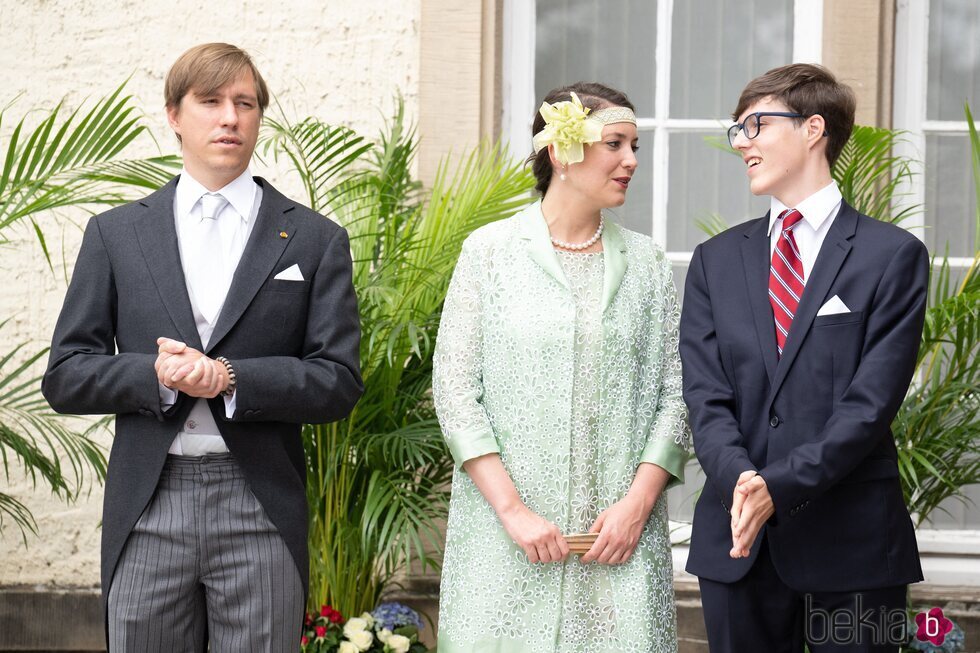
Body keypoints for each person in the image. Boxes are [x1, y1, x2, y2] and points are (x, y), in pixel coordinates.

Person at [42, 43, 363, 651]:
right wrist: (158, 375)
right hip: (149, 503)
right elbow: (66, 376)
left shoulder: (314, 239)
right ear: (173, 114)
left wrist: (231, 377)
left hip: (260, 506)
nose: (229, 118)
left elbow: (338, 381)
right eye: (210, 101)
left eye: (245, 104)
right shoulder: (116, 233)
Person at [433, 82, 689, 653]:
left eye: (635, 146)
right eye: (616, 144)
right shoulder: (488, 252)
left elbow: (679, 393)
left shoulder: (646, 262)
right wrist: (514, 512)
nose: (632, 161)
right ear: (562, 153)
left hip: (620, 546)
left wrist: (637, 507)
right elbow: (454, 391)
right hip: (506, 543)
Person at [680, 63, 927, 652]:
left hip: (857, 548)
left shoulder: (892, 256)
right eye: (738, 129)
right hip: (737, 544)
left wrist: (778, 485)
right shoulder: (715, 261)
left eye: (756, 125)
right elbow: (704, 396)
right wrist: (743, 481)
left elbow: (870, 406)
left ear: (814, 127)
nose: (742, 142)